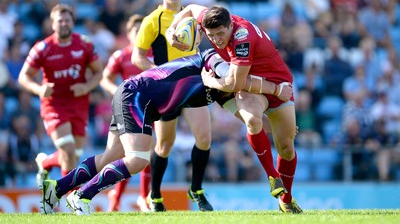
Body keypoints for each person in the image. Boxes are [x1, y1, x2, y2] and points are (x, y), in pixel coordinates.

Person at [40, 49, 293, 215]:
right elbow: (227, 75)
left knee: (109, 157)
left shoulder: (225, 95)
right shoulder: (213, 58)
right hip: (137, 95)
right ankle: (82, 196)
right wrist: (268, 86)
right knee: (138, 159)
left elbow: (253, 122)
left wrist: (285, 127)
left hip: (141, 101)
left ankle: (56, 189)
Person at [166, 4, 303, 213]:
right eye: (211, 36)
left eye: (221, 33)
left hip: (278, 84)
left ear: (230, 26)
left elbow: (236, 84)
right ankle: (272, 176)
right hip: (251, 87)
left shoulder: (242, 38)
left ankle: (286, 199)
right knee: (253, 120)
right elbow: (192, 8)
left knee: (286, 146)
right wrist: (171, 31)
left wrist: (209, 82)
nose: (217, 40)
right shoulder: (208, 20)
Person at [130, 0, 211, 212]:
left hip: (194, 85)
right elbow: (137, 57)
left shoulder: (194, 17)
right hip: (168, 91)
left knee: (205, 139)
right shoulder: (153, 20)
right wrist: (159, 74)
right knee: (164, 145)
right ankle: (154, 195)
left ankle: (196, 190)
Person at [18, 3, 103, 188]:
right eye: (60, 20)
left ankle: (46, 162)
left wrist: (87, 86)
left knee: (74, 155)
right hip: (54, 104)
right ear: (52, 24)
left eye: (67, 20)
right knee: (68, 149)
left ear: (73, 22)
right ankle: (71, 197)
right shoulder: (43, 48)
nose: (64, 23)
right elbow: (23, 77)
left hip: (79, 104)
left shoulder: (84, 44)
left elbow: (99, 72)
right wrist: (39, 89)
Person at [99, 14, 151, 212]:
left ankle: (144, 197)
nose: (139, 34)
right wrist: (120, 93)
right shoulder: (121, 56)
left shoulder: (152, 55)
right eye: (135, 31)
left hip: (150, 109)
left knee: (146, 153)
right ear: (128, 34)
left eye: (142, 31)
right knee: (125, 156)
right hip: (128, 110)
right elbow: (105, 79)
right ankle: (115, 194)